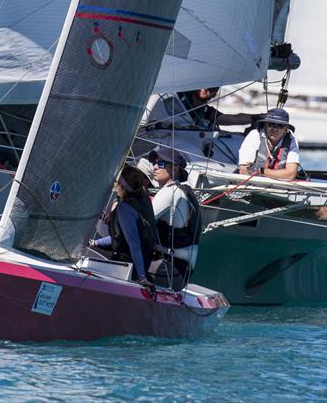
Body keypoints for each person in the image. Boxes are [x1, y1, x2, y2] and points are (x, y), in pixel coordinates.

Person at [90, 165, 158, 285]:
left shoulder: (125, 209)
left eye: (116, 182)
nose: (114, 185)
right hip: (139, 262)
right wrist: (96, 243)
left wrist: (142, 277)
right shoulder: (144, 199)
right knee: (90, 247)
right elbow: (120, 239)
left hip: (128, 268)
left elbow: (134, 244)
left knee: (83, 253)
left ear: (121, 187)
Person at [151, 147, 202, 281]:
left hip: (170, 269)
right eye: (154, 163)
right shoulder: (181, 191)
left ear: (174, 169)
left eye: (160, 164)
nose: (155, 167)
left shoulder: (170, 192)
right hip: (180, 271)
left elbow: (141, 220)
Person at [237, 107, 300, 182]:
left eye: (280, 126)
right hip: (253, 183)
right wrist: (280, 174)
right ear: (265, 125)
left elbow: (290, 175)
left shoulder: (291, 139)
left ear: (286, 128)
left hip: (278, 186)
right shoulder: (254, 135)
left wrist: (261, 171)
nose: (275, 129)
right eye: (271, 124)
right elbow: (243, 170)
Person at [178, 87, 263, 130]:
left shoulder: (205, 111)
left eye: (211, 89)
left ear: (214, 94)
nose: (205, 90)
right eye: (204, 86)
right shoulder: (179, 94)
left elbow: (232, 119)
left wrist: (258, 117)